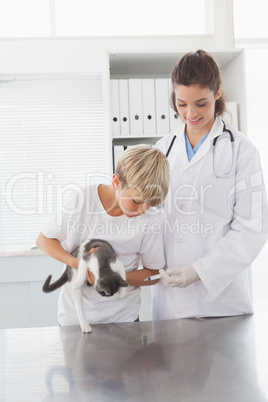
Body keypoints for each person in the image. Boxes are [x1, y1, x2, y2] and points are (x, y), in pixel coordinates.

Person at [152, 49, 268, 320]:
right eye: (181, 104)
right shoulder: (162, 150)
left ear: (217, 94)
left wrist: (199, 272)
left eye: (201, 103)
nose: (190, 113)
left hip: (220, 303)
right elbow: (148, 215)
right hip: (169, 303)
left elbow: (252, 228)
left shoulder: (242, 151)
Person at [36, 144, 170, 326]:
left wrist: (116, 277)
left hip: (124, 319)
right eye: (137, 201)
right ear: (116, 182)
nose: (143, 210)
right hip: (75, 318)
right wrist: (78, 264)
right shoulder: (81, 200)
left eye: (151, 203)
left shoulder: (151, 219)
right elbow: (44, 240)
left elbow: (153, 273)